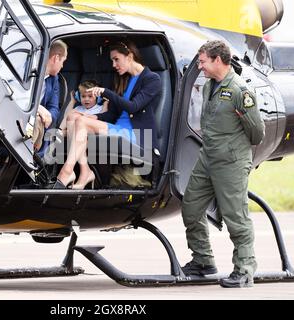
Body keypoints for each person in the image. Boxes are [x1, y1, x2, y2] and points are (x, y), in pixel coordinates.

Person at [181, 40, 265, 288]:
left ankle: (245, 269)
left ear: (218, 60)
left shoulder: (240, 91)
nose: (200, 66)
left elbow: (257, 133)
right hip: (207, 158)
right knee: (191, 207)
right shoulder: (209, 86)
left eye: (203, 61)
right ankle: (203, 260)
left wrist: (232, 149)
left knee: (235, 216)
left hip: (230, 163)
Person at [55, 40, 161, 190]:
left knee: (82, 123)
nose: (113, 65)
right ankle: (84, 171)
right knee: (75, 117)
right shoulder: (124, 79)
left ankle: (66, 172)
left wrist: (106, 92)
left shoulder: (151, 79)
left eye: (116, 59)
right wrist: (94, 117)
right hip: (118, 128)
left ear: (129, 56)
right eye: (112, 60)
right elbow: (112, 114)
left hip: (136, 135)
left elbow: (133, 107)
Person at [32, 39, 68, 151]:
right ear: (56, 58)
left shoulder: (54, 80)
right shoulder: (29, 69)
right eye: (63, 61)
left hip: (38, 121)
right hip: (18, 115)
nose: (62, 66)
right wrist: (38, 108)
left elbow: (54, 108)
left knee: (38, 121)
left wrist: (47, 115)